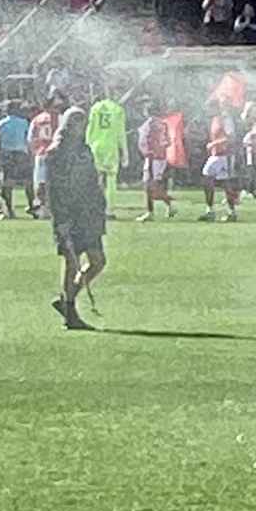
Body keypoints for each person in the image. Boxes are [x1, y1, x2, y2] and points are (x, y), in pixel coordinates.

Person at [47, 106, 106, 331]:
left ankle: (66, 298)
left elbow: (91, 180)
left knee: (98, 261)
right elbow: (55, 190)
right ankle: (70, 311)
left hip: (89, 213)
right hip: (69, 215)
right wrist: (61, 219)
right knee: (72, 263)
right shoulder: (57, 152)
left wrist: (99, 203)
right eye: (76, 122)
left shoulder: (84, 149)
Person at [87, 88, 128, 218]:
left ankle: (94, 207)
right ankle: (109, 209)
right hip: (110, 147)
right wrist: (125, 153)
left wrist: (87, 144)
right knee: (110, 180)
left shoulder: (95, 108)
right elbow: (121, 133)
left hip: (96, 146)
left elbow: (90, 128)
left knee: (97, 178)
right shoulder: (118, 110)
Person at [200, 96, 241, 222]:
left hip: (225, 155)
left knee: (225, 182)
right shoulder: (215, 119)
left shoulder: (226, 120)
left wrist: (214, 143)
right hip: (217, 154)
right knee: (209, 179)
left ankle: (229, 211)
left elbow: (231, 138)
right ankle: (212, 210)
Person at [0, 101, 33, 219]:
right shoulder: (24, 122)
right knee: (27, 182)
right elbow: (28, 140)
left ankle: (9, 210)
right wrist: (30, 154)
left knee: (8, 183)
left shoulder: (1, 124)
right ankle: (32, 206)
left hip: (7, 154)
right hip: (21, 153)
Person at [136, 102, 177, 221]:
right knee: (154, 185)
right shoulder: (163, 124)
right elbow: (168, 141)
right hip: (161, 158)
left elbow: (142, 140)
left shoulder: (148, 124)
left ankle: (154, 210)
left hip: (152, 158)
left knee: (149, 186)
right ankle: (166, 206)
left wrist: (146, 151)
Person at [27, 102, 56, 219]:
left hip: (41, 152)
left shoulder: (37, 119)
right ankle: (50, 207)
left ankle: (42, 206)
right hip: (55, 154)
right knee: (53, 182)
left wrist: (33, 151)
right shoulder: (58, 118)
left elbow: (30, 138)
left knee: (41, 182)